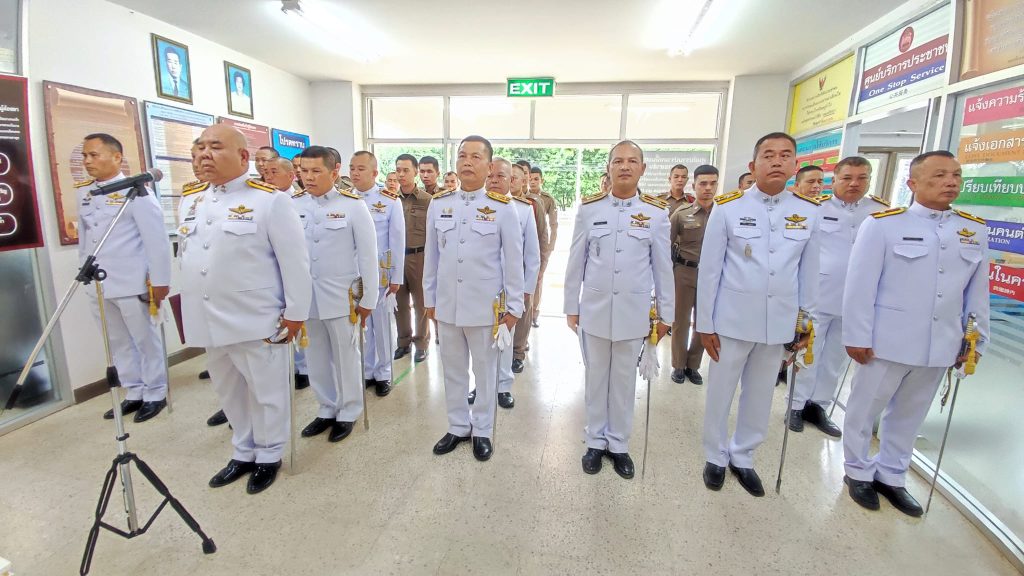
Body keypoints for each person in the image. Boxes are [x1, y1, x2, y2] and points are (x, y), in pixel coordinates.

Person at [842, 151, 989, 517]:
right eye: (939, 175)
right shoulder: (883, 225)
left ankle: (892, 474)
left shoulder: (973, 230)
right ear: (913, 183)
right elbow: (860, 285)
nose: (950, 182)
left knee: (910, 414)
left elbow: (978, 292)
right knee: (865, 409)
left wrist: (974, 339)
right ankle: (857, 470)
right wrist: (857, 334)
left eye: (956, 175)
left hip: (941, 342)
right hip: (885, 340)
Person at [179, 124, 311, 494]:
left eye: (215, 146)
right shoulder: (191, 199)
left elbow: (295, 262)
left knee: (267, 391)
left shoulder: (270, 200)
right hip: (209, 316)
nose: (204, 154)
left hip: (257, 316)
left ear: (241, 156)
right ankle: (243, 450)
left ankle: (269, 453)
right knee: (228, 390)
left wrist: (296, 312)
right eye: (200, 147)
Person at [696, 132, 820, 497]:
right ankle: (715, 455)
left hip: (778, 322)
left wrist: (805, 322)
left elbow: (809, 272)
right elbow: (710, 270)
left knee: (762, 393)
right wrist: (705, 324)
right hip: (731, 321)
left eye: (785, 155)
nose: (777, 161)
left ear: (795, 165)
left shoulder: (809, 211)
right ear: (753, 165)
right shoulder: (728, 207)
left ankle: (744, 455)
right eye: (768, 155)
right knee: (720, 391)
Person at [564, 140, 673, 480]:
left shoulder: (656, 213)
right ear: (608, 168)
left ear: (642, 169)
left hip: (633, 311)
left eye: (632, 161)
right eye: (618, 161)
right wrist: (571, 306)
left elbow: (663, 268)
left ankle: (619, 444)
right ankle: (595, 441)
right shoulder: (589, 209)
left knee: (624, 382)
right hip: (594, 309)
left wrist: (666, 314)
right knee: (596, 378)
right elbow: (576, 260)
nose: (625, 166)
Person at [424, 136, 524, 461]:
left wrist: (514, 307)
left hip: (485, 307)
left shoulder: (503, 208)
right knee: (452, 370)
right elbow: (431, 257)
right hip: (447, 305)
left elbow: (514, 262)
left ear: (489, 166)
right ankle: (457, 426)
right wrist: (429, 299)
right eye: (462, 155)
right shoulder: (439, 204)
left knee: (485, 372)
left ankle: (482, 429)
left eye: (476, 157)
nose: (467, 161)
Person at [77, 133, 172, 423]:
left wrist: (159, 281)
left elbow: (156, 240)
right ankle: (134, 390)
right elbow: (85, 238)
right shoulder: (84, 192)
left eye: (94, 155)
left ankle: (155, 392)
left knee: (145, 340)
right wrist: (83, 270)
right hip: (99, 283)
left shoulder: (137, 191)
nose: (87, 161)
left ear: (117, 157)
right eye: (84, 156)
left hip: (132, 280)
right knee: (117, 341)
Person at [787, 157, 886, 437]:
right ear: (835, 180)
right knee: (808, 352)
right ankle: (795, 405)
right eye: (847, 178)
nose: (854, 183)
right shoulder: (816, 208)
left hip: (856, 301)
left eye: (862, 178)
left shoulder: (880, 213)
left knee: (836, 358)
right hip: (819, 295)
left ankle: (819, 405)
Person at [292, 146, 378, 444]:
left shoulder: (353, 206)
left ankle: (349, 410)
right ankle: (326, 408)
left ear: (334, 172)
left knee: (346, 357)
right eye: (304, 171)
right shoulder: (293, 205)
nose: (308, 177)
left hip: (342, 298)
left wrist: (369, 299)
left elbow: (368, 256)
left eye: (316, 171)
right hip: (307, 298)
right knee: (315, 356)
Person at [469, 158, 538, 410]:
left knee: (504, 339)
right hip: (480, 287)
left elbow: (532, 256)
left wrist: (525, 291)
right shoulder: (473, 205)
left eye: (501, 176)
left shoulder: (522, 209)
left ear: (512, 180)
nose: (494, 181)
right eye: (491, 176)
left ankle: (503, 386)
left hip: (508, 288)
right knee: (480, 343)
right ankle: (481, 385)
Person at [349, 151, 405, 397]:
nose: (355, 173)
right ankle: (367, 370)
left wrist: (396, 277)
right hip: (352, 275)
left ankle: (384, 372)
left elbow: (397, 240)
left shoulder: (389, 201)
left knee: (381, 326)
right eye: (352, 168)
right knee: (361, 325)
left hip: (380, 274)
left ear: (374, 173)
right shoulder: (345, 199)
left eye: (361, 168)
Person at [264, 156, 311, 391]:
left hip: (295, 270)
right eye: (266, 172)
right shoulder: (262, 201)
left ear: (291, 175)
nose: (268, 177)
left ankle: (303, 368)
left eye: (274, 172)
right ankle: (286, 368)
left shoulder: (301, 201)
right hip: (272, 275)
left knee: (298, 319)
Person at [669, 164, 718, 386]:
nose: (708, 188)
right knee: (680, 320)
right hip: (684, 272)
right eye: (703, 183)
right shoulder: (681, 214)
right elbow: (666, 245)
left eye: (712, 183)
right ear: (694, 185)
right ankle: (679, 365)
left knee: (704, 321)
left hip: (712, 276)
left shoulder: (723, 214)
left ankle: (693, 365)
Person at [394, 154, 433, 363]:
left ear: (415, 172)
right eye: (398, 170)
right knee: (399, 303)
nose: (401, 174)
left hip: (419, 257)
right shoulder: (390, 199)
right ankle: (403, 342)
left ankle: (421, 343)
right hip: (396, 258)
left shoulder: (427, 200)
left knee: (420, 303)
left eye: (406, 170)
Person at [509, 162, 541, 373]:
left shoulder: (531, 205)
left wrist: (537, 274)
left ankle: (518, 352)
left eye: (514, 177)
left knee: (521, 313)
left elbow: (540, 241)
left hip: (523, 269)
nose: (510, 181)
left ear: (523, 181)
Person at [528, 166, 558, 328]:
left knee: (538, 279)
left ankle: (534, 314)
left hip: (541, 244)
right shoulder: (522, 197)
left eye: (536, 179)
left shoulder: (547, 199)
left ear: (542, 180)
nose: (532, 182)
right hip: (526, 244)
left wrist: (549, 247)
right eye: (530, 179)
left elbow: (553, 225)